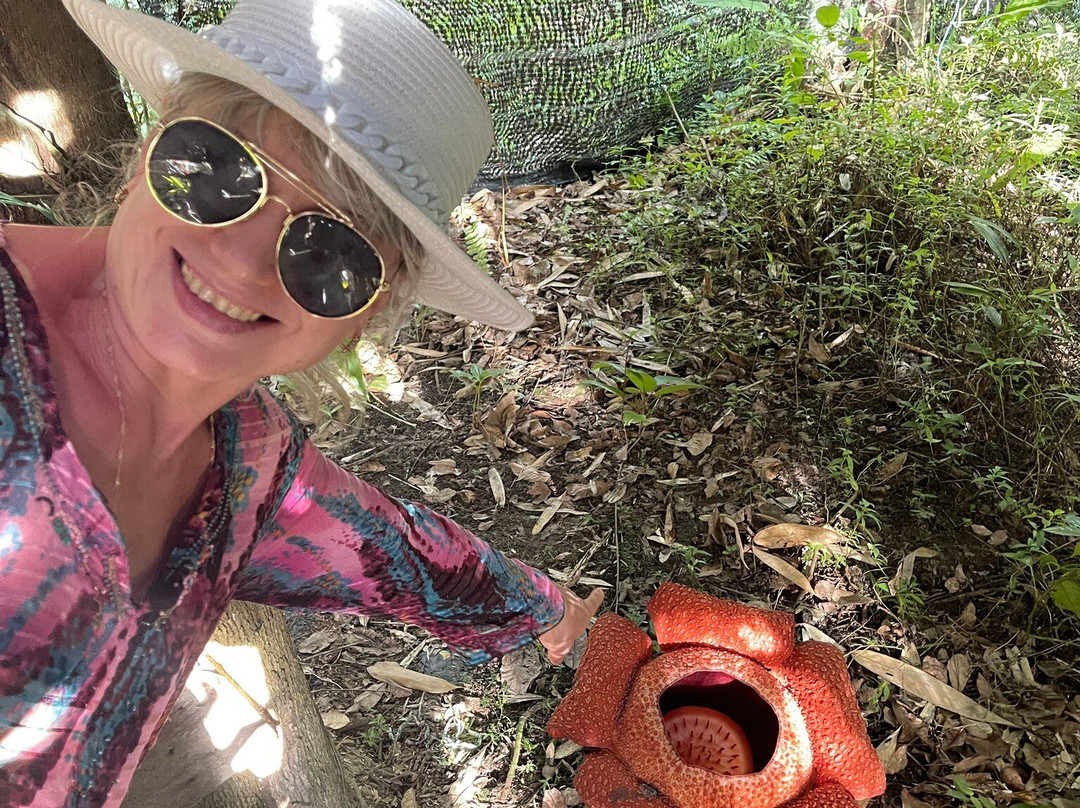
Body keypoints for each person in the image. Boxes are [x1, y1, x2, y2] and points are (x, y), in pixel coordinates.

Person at [0, 0, 604, 805]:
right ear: (150, 144)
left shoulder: (248, 464)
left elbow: (393, 552)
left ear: (368, 313)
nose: (245, 262)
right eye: (216, 169)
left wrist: (543, 606)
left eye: (334, 250)